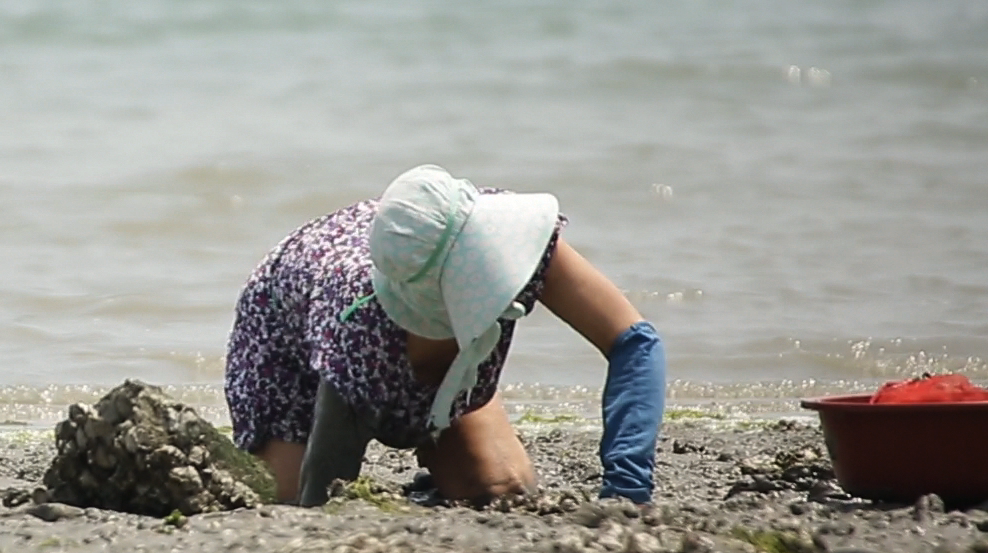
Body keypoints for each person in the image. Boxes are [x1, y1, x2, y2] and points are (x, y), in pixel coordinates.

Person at [225, 165, 663, 506]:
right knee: (283, 496)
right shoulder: (357, 339)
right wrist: (321, 503)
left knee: (503, 490)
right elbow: (323, 491)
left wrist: (627, 487)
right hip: (287, 330)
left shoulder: (517, 240)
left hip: (414, 280)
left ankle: (437, 452)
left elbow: (635, 343)